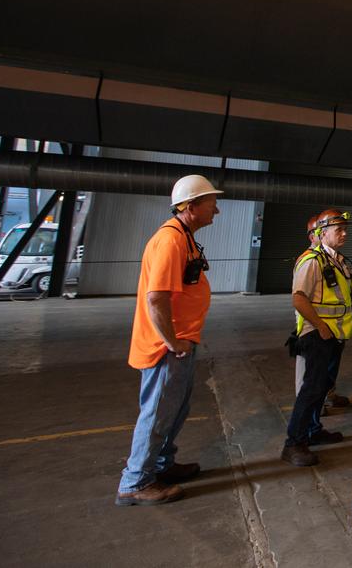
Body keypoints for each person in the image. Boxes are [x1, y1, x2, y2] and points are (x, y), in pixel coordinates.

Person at [115, 174, 222, 506]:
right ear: (191, 206)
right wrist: (172, 342)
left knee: (175, 409)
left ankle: (162, 465)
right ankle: (135, 482)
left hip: (181, 343)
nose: (216, 211)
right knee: (158, 414)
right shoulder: (170, 241)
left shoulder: (184, 238)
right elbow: (156, 298)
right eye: (212, 204)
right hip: (166, 347)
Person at [283, 210, 352, 465]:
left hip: (334, 335)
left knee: (321, 388)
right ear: (322, 233)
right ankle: (293, 444)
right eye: (339, 230)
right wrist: (321, 327)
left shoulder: (338, 261)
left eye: (345, 229)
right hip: (317, 335)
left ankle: (313, 431)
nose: (344, 233)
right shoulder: (312, 261)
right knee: (311, 389)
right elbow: (299, 299)